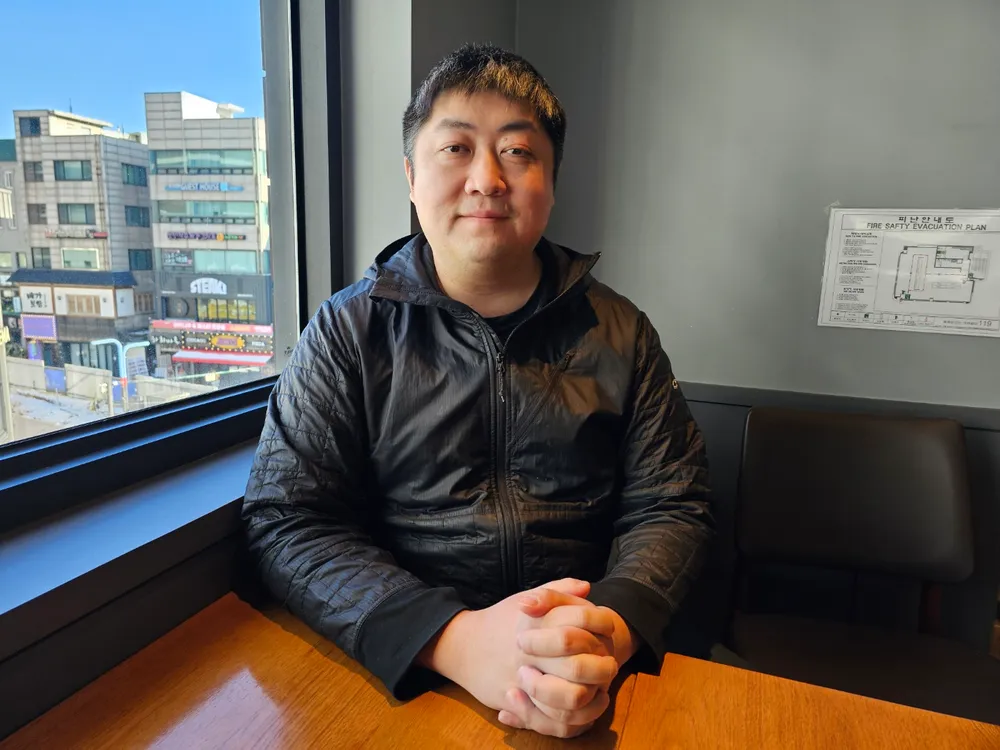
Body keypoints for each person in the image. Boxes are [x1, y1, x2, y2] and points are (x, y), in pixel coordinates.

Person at [242, 43, 714, 739]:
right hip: (414, 673)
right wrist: (453, 641)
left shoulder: (621, 331)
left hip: (592, 663)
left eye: (518, 152)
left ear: (551, 181)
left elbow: (673, 504)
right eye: (456, 148)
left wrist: (603, 633)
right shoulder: (347, 329)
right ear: (412, 175)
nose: (487, 179)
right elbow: (288, 517)